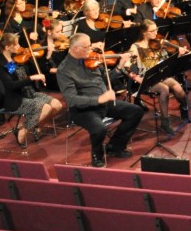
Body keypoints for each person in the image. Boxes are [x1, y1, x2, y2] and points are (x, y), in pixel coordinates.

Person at [57, 33, 145, 167]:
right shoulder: (64, 70)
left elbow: (105, 79)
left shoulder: (93, 60)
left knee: (136, 111)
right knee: (99, 128)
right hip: (83, 110)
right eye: (87, 47)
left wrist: (119, 67)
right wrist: (99, 99)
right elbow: (72, 100)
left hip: (104, 103)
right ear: (76, 49)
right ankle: (97, 155)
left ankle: (114, 147)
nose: (91, 49)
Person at [0, 33, 63, 147]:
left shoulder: (18, 58)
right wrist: (31, 78)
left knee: (57, 105)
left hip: (30, 92)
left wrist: (33, 58)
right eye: (16, 44)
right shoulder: (1, 64)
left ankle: (37, 128)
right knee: (46, 108)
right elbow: (11, 85)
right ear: (7, 47)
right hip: (16, 98)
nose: (19, 46)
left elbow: (36, 70)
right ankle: (22, 131)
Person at [125, 19, 189, 135]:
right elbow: (126, 67)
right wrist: (136, 78)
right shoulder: (135, 47)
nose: (156, 33)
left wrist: (178, 55)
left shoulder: (157, 44)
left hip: (160, 75)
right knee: (164, 89)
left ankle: (184, 108)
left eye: (156, 30)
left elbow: (167, 62)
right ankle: (165, 122)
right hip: (146, 78)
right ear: (144, 32)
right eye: (152, 31)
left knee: (178, 88)